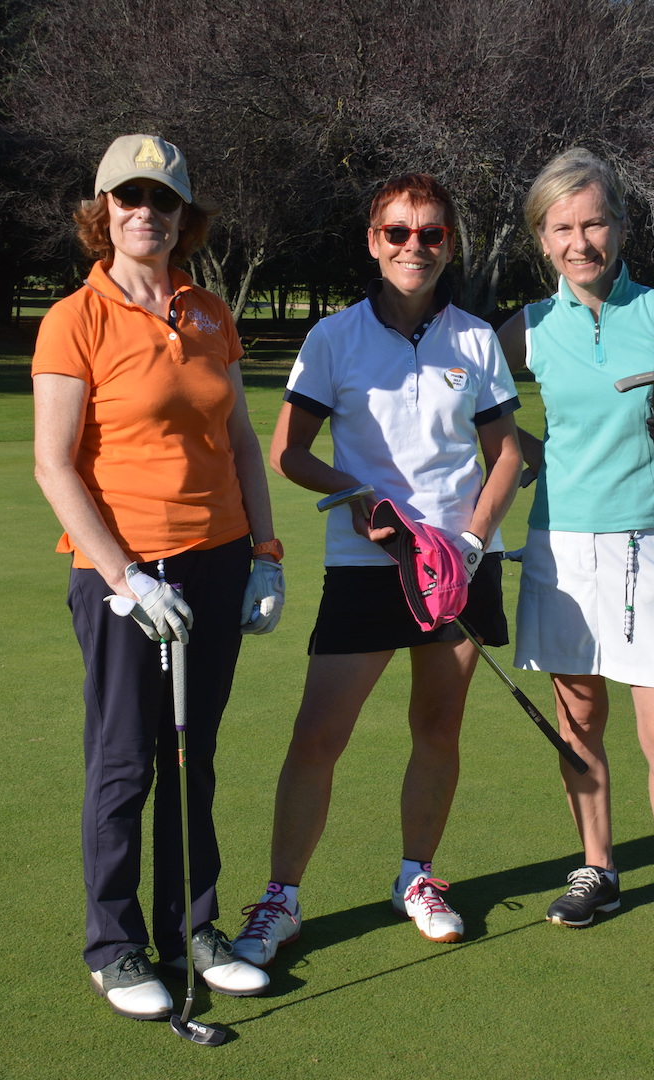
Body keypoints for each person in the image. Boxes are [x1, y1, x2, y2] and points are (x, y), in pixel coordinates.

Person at [230, 173, 523, 965]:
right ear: (373, 241)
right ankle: (280, 900)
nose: (414, 247)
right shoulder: (334, 338)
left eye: (430, 234)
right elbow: (290, 452)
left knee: (437, 727)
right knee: (318, 734)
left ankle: (417, 878)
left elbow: (507, 456)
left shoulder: (476, 339)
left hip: (457, 568)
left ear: (449, 244)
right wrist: (354, 492)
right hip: (367, 563)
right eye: (398, 232)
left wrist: (470, 540)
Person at [31, 134, 286, 1019]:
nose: (147, 213)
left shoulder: (211, 312)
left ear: (185, 216)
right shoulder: (76, 317)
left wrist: (264, 554)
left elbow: (243, 443)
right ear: (103, 214)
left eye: (163, 200)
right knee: (124, 762)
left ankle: (195, 927)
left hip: (216, 562)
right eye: (128, 199)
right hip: (123, 574)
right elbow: (54, 467)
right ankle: (115, 945)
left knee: (194, 754)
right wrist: (126, 577)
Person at [497, 148, 654, 957]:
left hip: (652, 541)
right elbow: (468, 405)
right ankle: (597, 870)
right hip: (562, 545)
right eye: (561, 226)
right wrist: (528, 453)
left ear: (623, 223)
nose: (580, 240)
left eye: (594, 221)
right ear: (542, 237)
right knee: (580, 721)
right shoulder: (524, 329)